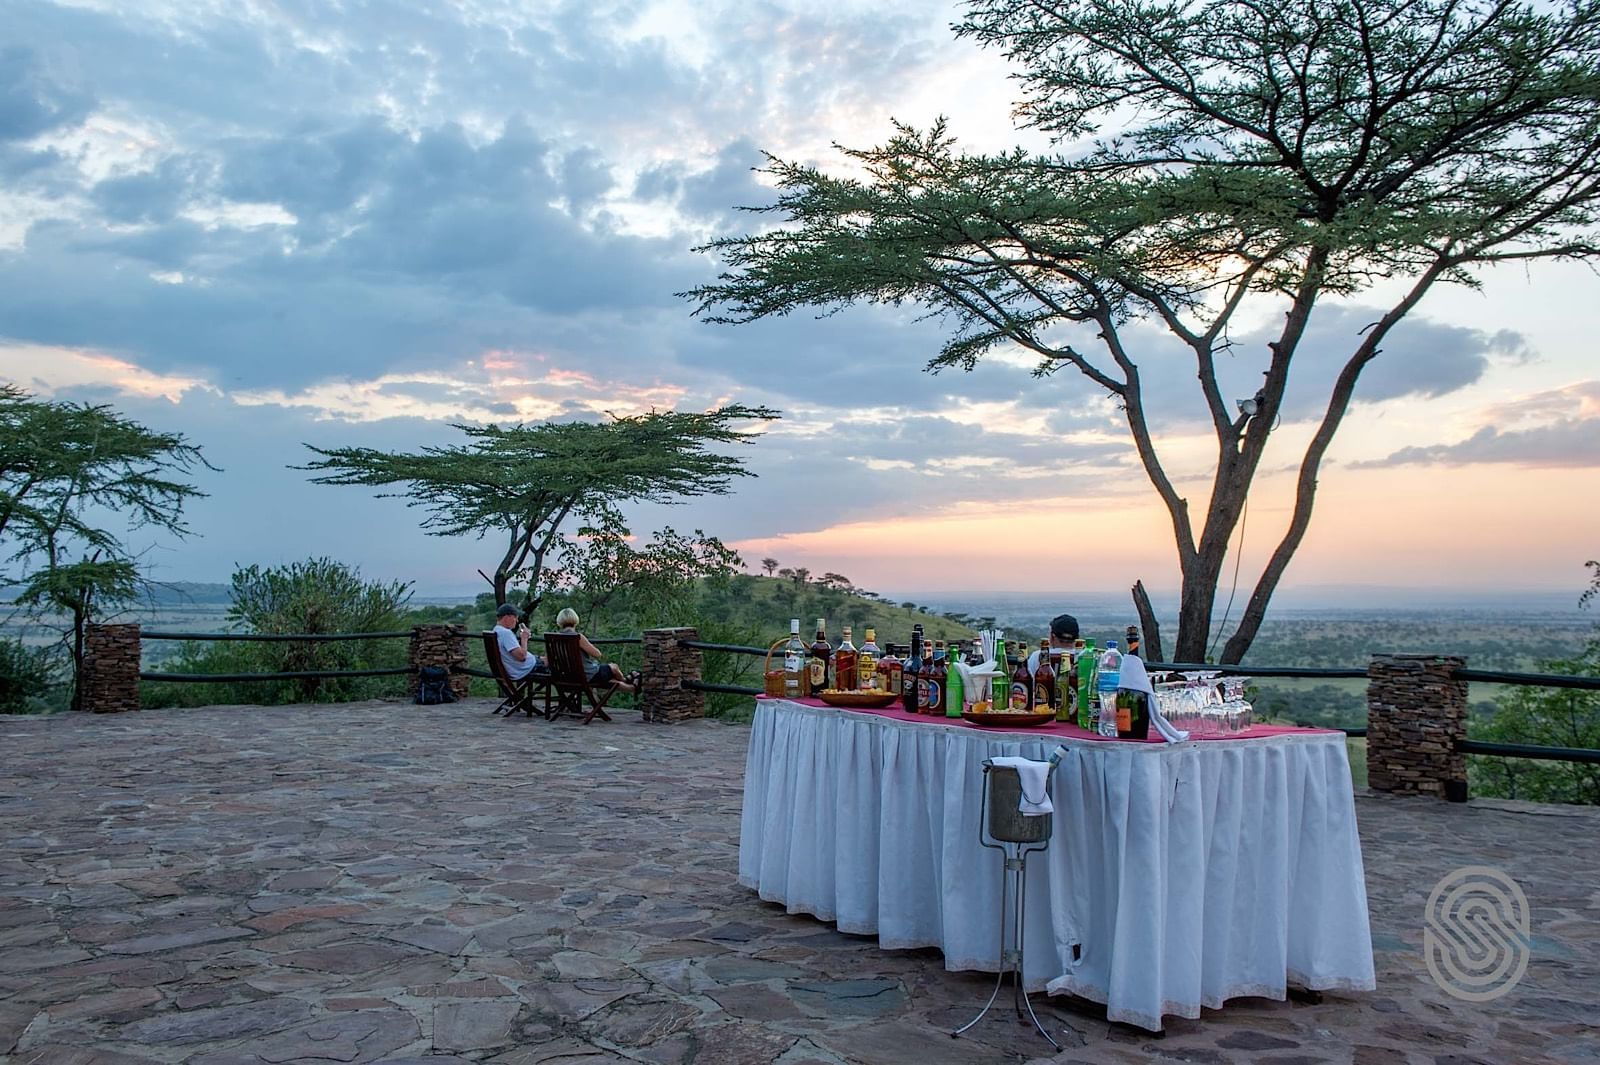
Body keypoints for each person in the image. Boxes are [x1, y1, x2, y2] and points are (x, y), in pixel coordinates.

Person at [555, 607, 640, 692]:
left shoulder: (555, 638)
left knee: (609, 680)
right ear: (575, 620)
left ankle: (632, 688)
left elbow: (548, 661)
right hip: (586, 676)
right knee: (613, 667)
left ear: (559, 621)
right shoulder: (578, 637)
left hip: (566, 678)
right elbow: (597, 654)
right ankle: (626, 680)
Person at [494, 604, 541, 681]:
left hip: (518, 669)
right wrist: (524, 638)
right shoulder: (506, 633)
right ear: (506, 617)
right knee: (553, 662)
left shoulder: (496, 630)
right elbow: (522, 657)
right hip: (525, 670)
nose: (517, 620)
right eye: (515, 617)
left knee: (546, 659)